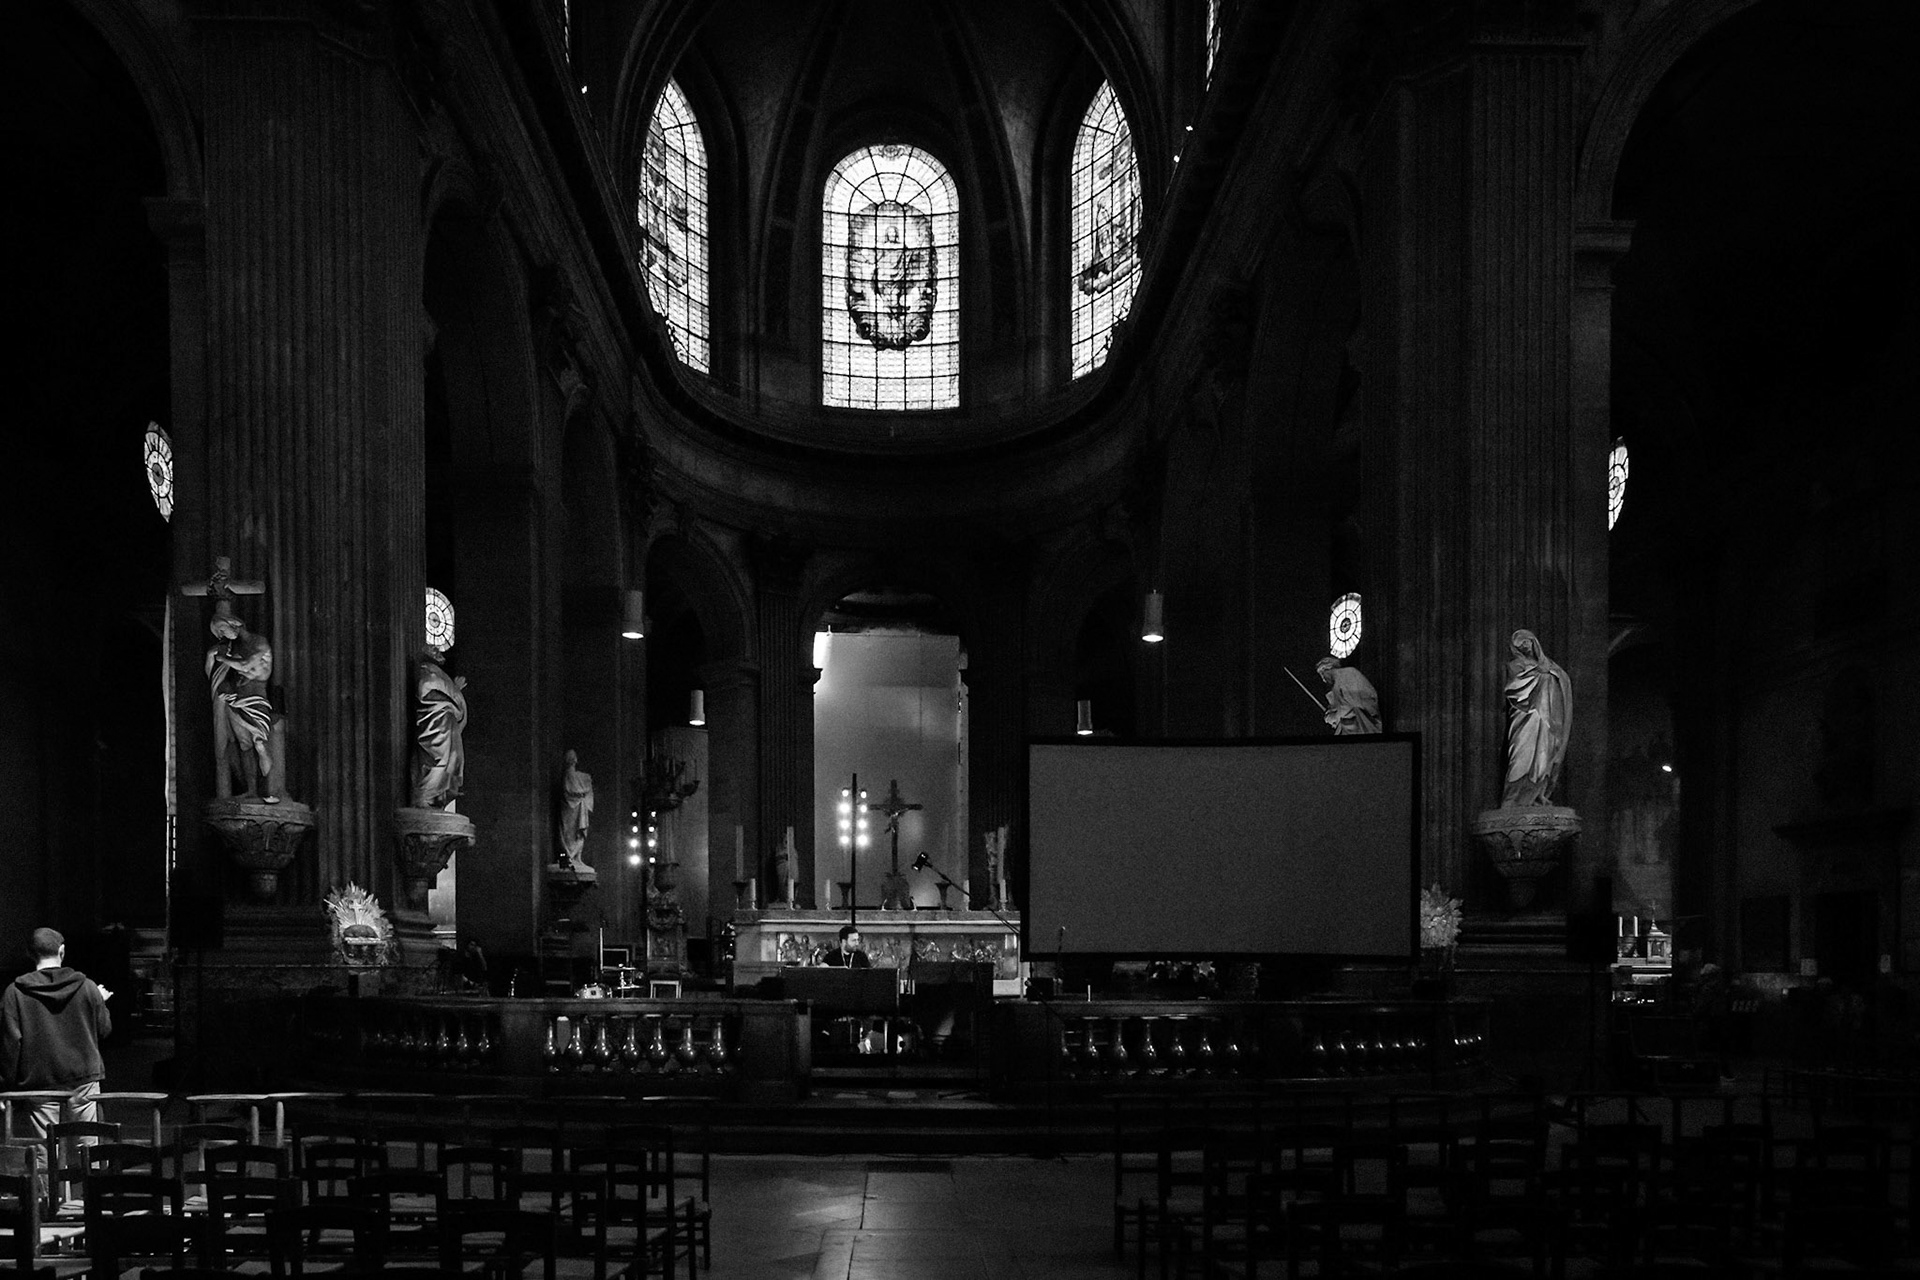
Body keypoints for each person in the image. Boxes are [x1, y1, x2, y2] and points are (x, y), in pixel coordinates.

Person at [1, 928, 113, 1175]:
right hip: (83, 1079)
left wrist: (6, 1088)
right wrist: (100, 1003)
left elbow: (11, 1045)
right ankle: (90, 1204)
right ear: (62, 951)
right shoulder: (87, 987)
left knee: (45, 1151)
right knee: (88, 1147)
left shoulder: (15, 992)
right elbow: (104, 1030)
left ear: (29, 954)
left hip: (39, 1085)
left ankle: (49, 1206)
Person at [205, 600, 279, 802]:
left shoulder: (259, 643)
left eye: (222, 630)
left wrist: (223, 659)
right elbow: (215, 673)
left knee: (259, 743)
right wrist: (213, 657)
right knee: (244, 746)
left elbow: (246, 665)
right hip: (238, 701)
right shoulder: (236, 648)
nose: (221, 636)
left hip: (256, 701)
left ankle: (271, 788)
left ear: (234, 624)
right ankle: (252, 790)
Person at [1502, 628, 1573, 807]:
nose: (1524, 646)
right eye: (1520, 644)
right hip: (1526, 718)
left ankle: (1537, 795)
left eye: (1527, 641)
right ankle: (1513, 798)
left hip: (1547, 719)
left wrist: (1550, 672)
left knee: (1544, 757)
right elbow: (1516, 688)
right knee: (1521, 757)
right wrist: (1542, 673)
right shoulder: (1515, 665)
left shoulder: (1551, 667)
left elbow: (1562, 679)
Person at [411, 645, 468, 810]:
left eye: (438, 650)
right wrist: (453, 693)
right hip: (437, 726)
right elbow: (425, 689)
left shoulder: (440, 675)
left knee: (452, 760)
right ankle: (426, 797)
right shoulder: (427, 670)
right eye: (433, 650)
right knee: (438, 760)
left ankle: (437, 799)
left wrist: (454, 693)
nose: (438, 652)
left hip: (448, 726)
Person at [1316, 656, 1382, 735]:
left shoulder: (1348, 674)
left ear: (1327, 668)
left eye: (1322, 675)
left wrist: (1334, 716)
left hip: (1364, 724)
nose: (1324, 679)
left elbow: (1352, 706)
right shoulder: (1336, 684)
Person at [557, 749, 594, 867]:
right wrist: (582, 793)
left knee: (579, 833)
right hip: (570, 810)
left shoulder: (575, 776)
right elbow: (569, 790)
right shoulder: (568, 775)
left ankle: (577, 857)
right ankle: (569, 856)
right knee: (570, 834)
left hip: (578, 808)